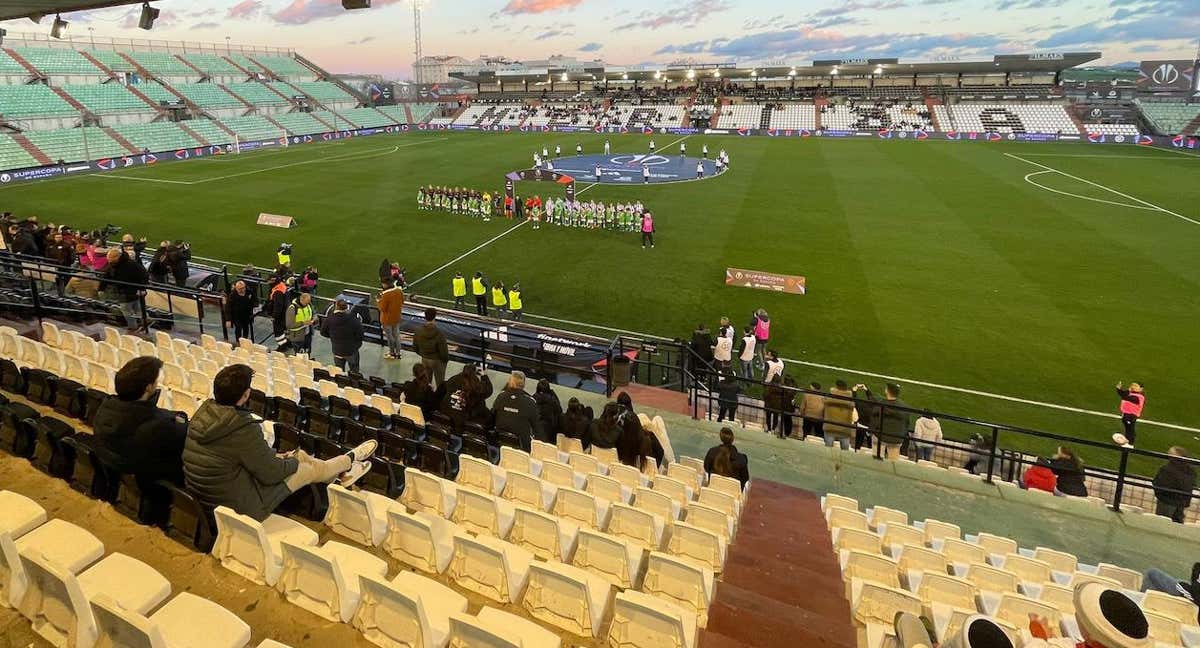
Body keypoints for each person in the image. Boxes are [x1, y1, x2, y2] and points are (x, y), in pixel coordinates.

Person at [183, 365, 377, 521]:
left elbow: (233, 457)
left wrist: (288, 458)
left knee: (299, 455)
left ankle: (340, 473)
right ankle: (350, 459)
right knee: (306, 468)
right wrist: (291, 462)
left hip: (206, 495)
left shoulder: (202, 415)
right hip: (240, 505)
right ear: (245, 395)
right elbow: (271, 474)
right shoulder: (242, 428)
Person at [92, 357, 187, 485]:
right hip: (149, 479)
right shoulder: (159, 425)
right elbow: (182, 435)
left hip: (116, 470)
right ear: (148, 387)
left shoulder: (104, 408)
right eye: (155, 381)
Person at [856, 382, 909, 460]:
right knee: (893, 462)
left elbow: (874, 419)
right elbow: (906, 424)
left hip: (880, 436)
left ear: (887, 391)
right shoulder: (904, 407)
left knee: (877, 459)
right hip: (896, 439)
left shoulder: (881, 404)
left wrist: (871, 430)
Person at [100, 247, 148, 332]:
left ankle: (138, 326)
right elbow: (106, 276)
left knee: (133, 310)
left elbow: (144, 274)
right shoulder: (113, 265)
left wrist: (142, 288)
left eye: (111, 261)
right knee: (130, 310)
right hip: (124, 292)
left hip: (134, 291)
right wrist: (101, 288)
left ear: (117, 258)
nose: (110, 263)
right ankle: (137, 326)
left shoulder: (131, 264)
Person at [492, 371, 542, 451]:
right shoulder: (530, 402)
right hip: (521, 449)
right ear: (523, 384)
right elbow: (537, 428)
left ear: (511, 382)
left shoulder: (501, 397)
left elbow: (492, 417)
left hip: (500, 444)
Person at [440, 363, 493, 429]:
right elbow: (488, 391)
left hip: (448, 416)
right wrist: (484, 376)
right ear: (475, 373)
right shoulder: (476, 385)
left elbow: (445, 386)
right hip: (463, 421)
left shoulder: (453, 379)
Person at [320, 299, 364, 373]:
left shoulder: (330, 318)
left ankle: (341, 383)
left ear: (336, 306)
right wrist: (357, 344)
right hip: (351, 350)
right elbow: (360, 335)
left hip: (337, 350)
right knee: (354, 371)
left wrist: (332, 337)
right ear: (346, 307)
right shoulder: (353, 319)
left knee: (339, 371)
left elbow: (323, 332)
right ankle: (354, 383)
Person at [1153, 447, 1196, 523]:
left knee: (1162, 522)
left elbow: (1160, 483)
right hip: (1180, 502)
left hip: (1167, 501)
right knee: (1177, 523)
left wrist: (1159, 494)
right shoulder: (1190, 470)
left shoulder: (1168, 469)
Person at [413, 307, 449, 389]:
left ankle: (426, 397)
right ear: (434, 317)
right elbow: (444, 352)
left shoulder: (418, 331)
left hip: (425, 359)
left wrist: (423, 354)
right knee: (440, 384)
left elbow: (415, 347)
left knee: (425, 382)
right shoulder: (439, 333)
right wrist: (445, 360)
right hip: (437, 361)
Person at [823, 380, 856, 450]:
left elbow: (824, 404)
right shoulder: (850, 401)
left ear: (836, 387)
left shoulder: (828, 398)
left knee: (827, 451)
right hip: (844, 429)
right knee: (845, 453)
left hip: (830, 427)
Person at [377, 280, 405, 360]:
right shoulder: (399, 291)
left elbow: (382, 308)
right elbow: (402, 301)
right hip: (396, 317)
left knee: (390, 337)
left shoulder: (385, 295)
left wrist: (378, 301)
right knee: (396, 335)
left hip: (387, 319)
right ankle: (398, 353)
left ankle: (392, 353)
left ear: (385, 284)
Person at [1114, 381, 1145, 448]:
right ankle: (1127, 442)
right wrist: (1118, 389)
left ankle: (1130, 444)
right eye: (1132, 385)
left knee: (1130, 430)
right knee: (1127, 429)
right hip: (1126, 415)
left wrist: (1127, 390)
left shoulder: (1139, 397)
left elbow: (1125, 397)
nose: (1133, 386)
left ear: (1141, 389)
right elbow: (1123, 394)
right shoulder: (1131, 393)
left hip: (1131, 416)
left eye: (1136, 386)